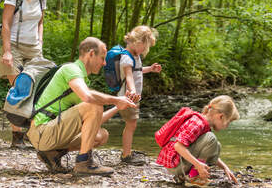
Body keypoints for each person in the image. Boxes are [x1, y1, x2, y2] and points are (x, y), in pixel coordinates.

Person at [26, 37, 138, 175]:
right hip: (41, 131)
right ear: (91, 54)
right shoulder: (71, 69)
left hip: (48, 133)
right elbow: (89, 98)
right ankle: (84, 163)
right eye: (102, 58)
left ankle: (52, 154)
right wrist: (116, 100)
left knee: (101, 135)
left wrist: (119, 106)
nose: (104, 63)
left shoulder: (81, 79)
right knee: (94, 104)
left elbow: (93, 120)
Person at [0, 0, 47, 149]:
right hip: (14, 46)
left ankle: (29, 134)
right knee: (19, 89)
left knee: (35, 90)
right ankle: (16, 137)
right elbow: (6, 23)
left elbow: (41, 22)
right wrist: (8, 51)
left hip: (34, 47)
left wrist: (40, 43)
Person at [156, 95, 240, 186]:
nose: (227, 126)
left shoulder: (202, 124)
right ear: (221, 116)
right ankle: (193, 177)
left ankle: (184, 176)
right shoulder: (198, 123)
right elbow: (178, 146)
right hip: (175, 164)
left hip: (176, 163)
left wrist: (225, 168)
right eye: (228, 122)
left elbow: (211, 153)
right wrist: (198, 165)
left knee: (216, 145)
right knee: (211, 139)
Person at [117, 25, 162, 165]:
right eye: (145, 47)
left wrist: (150, 69)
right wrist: (133, 91)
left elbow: (138, 70)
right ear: (138, 42)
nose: (144, 51)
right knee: (131, 124)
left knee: (131, 124)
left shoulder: (134, 55)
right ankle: (126, 155)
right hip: (129, 97)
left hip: (132, 97)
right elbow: (129, 76)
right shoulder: (126, 57)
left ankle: (127, 151)